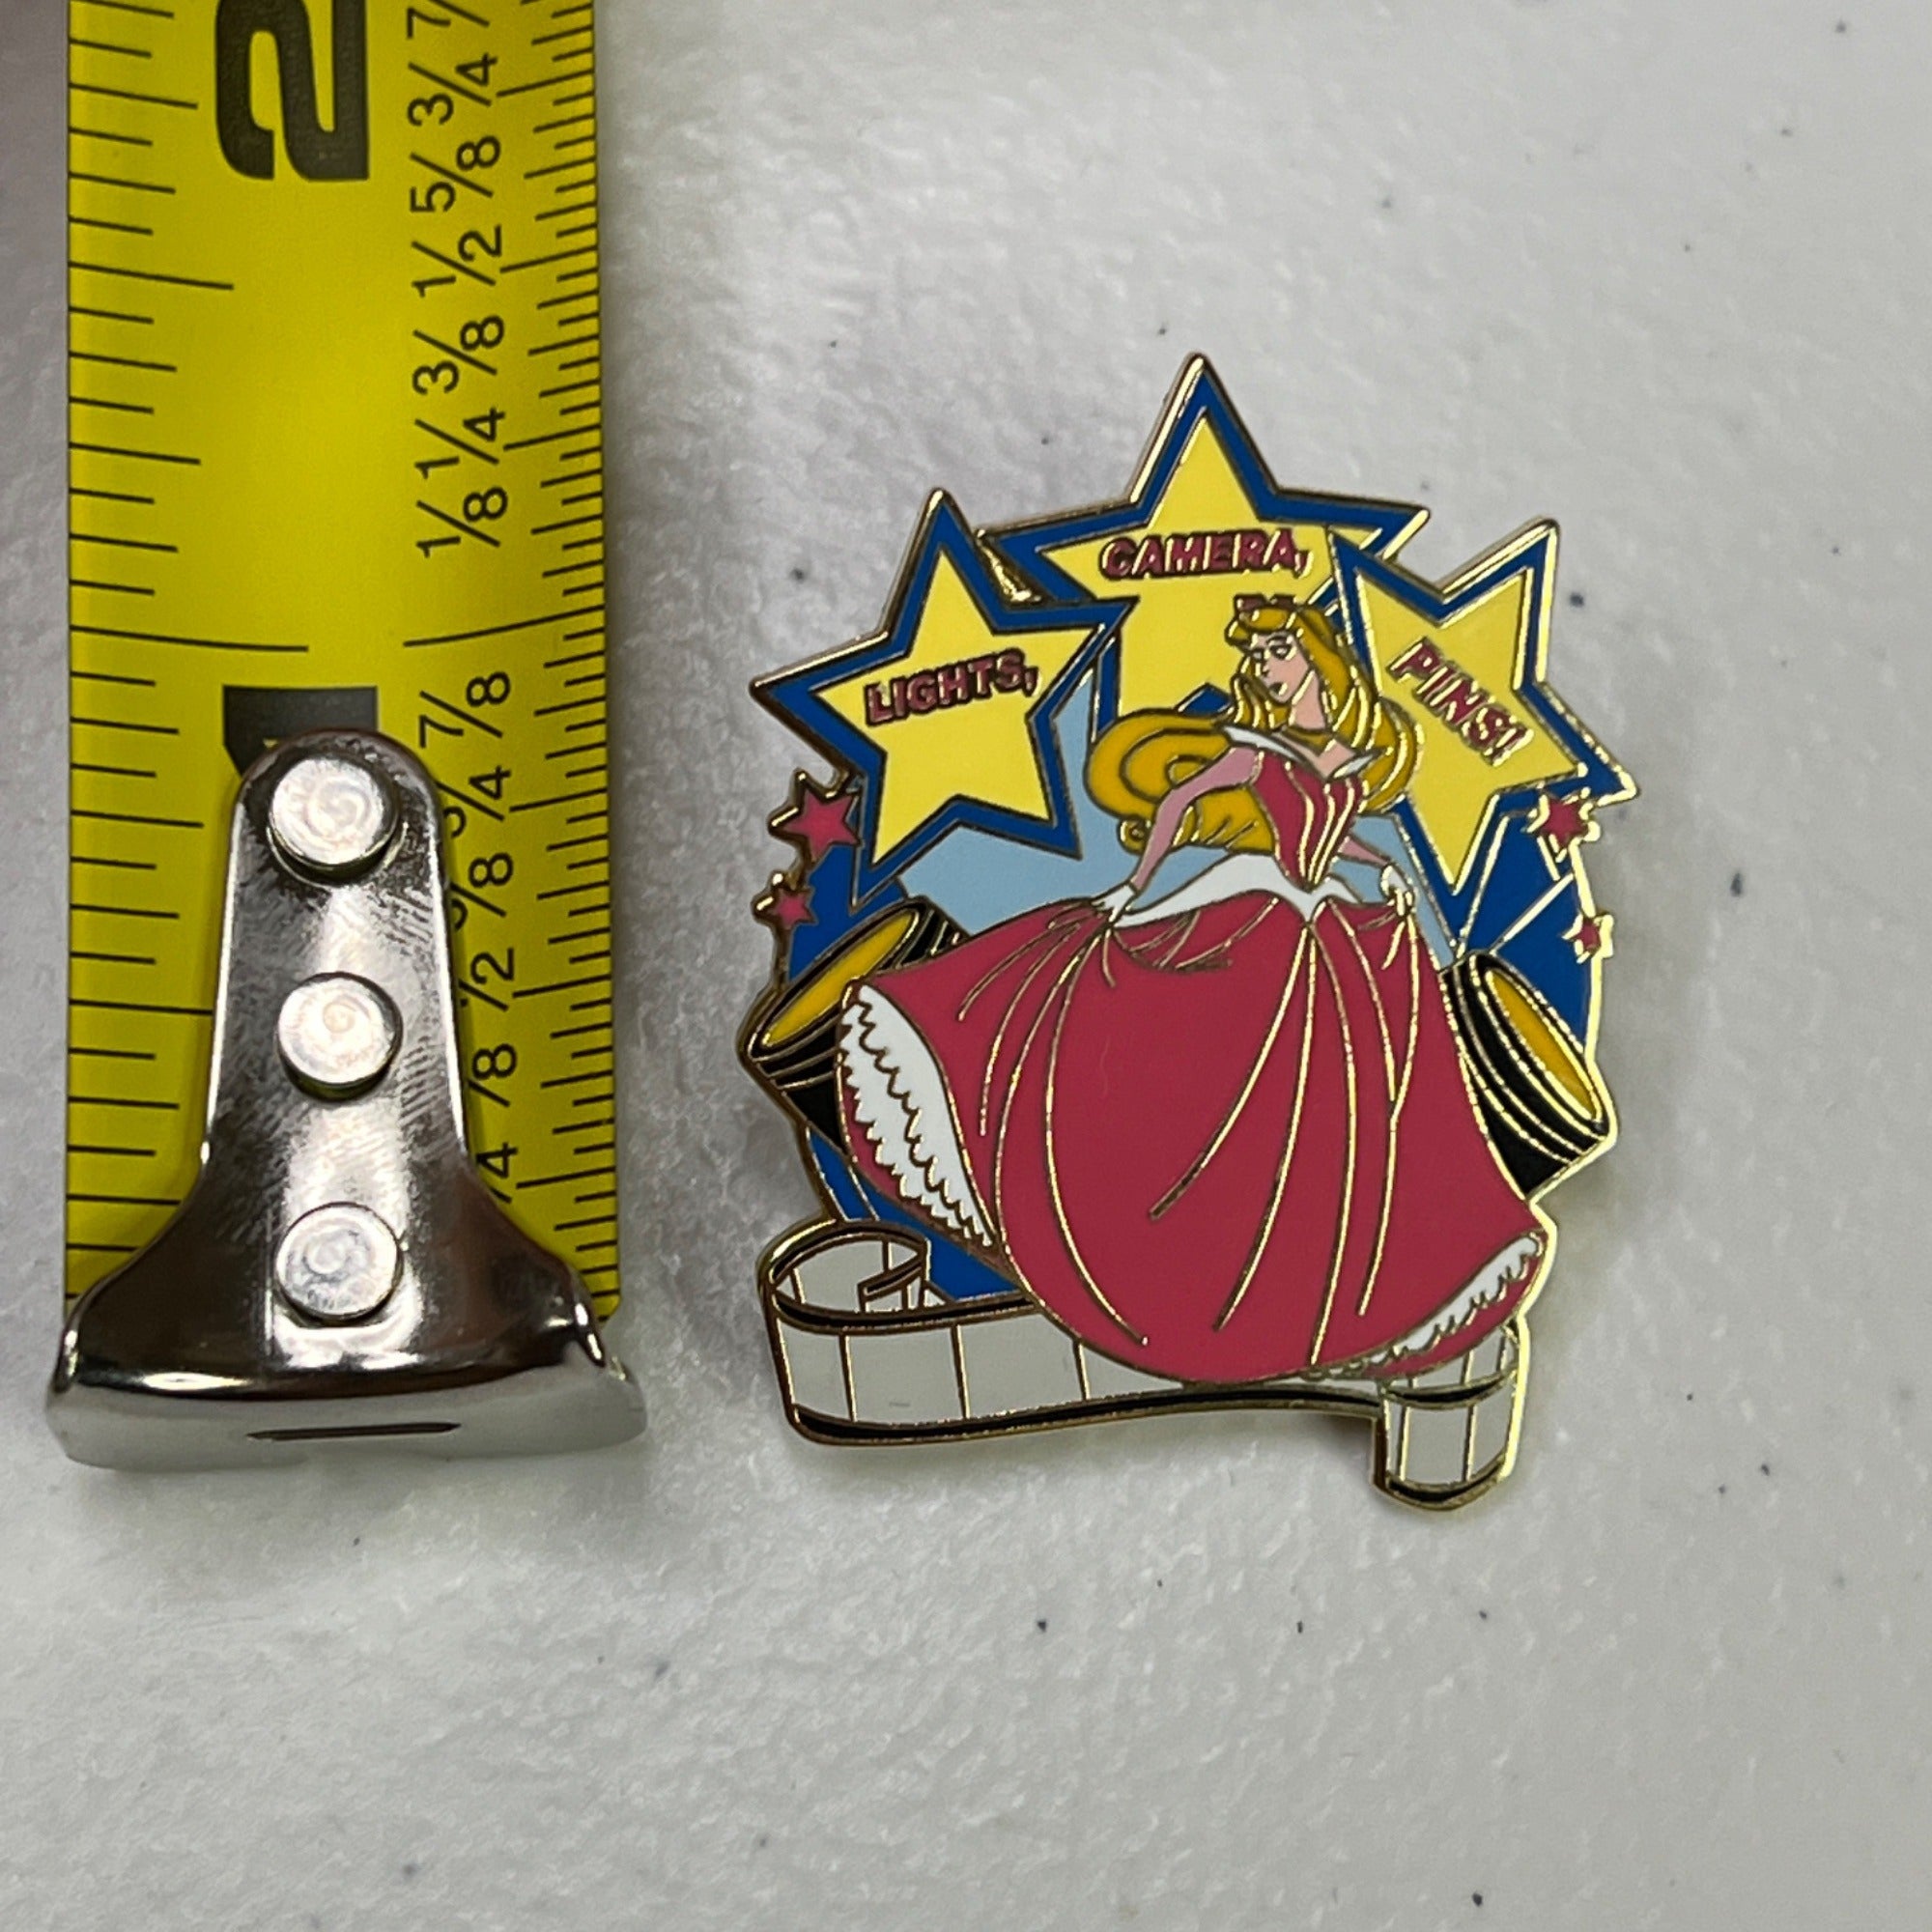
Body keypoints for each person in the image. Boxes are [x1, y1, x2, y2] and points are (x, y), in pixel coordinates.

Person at [835, 594, 1549, 1385]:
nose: (1265, 669)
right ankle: (1144, 1207)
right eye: (1258, 657)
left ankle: (1315, 1261)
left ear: (1316, 657)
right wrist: (1135, 885)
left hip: (1322, 913)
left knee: (1332, 1092)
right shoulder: (1257, 749)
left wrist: (1381, 869)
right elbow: (1178, 803)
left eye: (1277, 652)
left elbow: (1332, 832)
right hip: (1261, 902)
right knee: (1206, 1059)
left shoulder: (1346, 752)